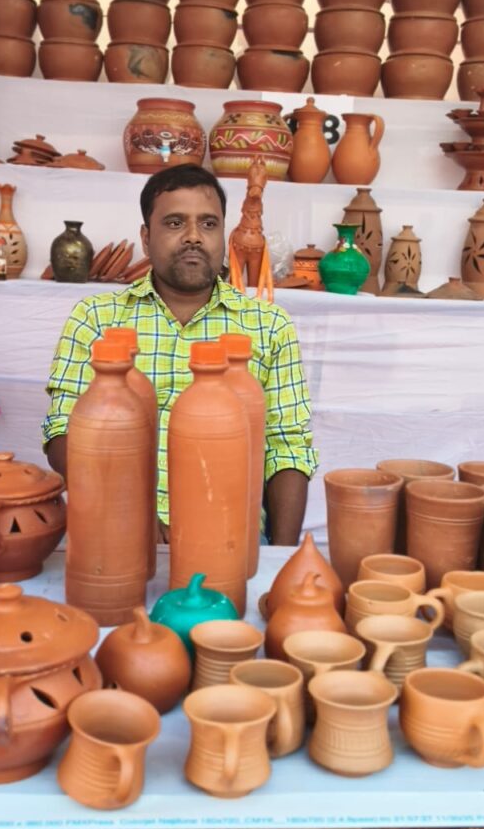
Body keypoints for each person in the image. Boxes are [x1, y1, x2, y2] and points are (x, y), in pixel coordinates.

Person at [43, 163, 318, 545]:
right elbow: (63, 431)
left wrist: (280, 559)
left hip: (230, 542)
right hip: (116, 537)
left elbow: (287, 448)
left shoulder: (269, 326)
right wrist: (135, 518)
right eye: (175, 223)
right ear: (145, 237)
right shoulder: (96, 318)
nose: (193, 237)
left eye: (208, 224)